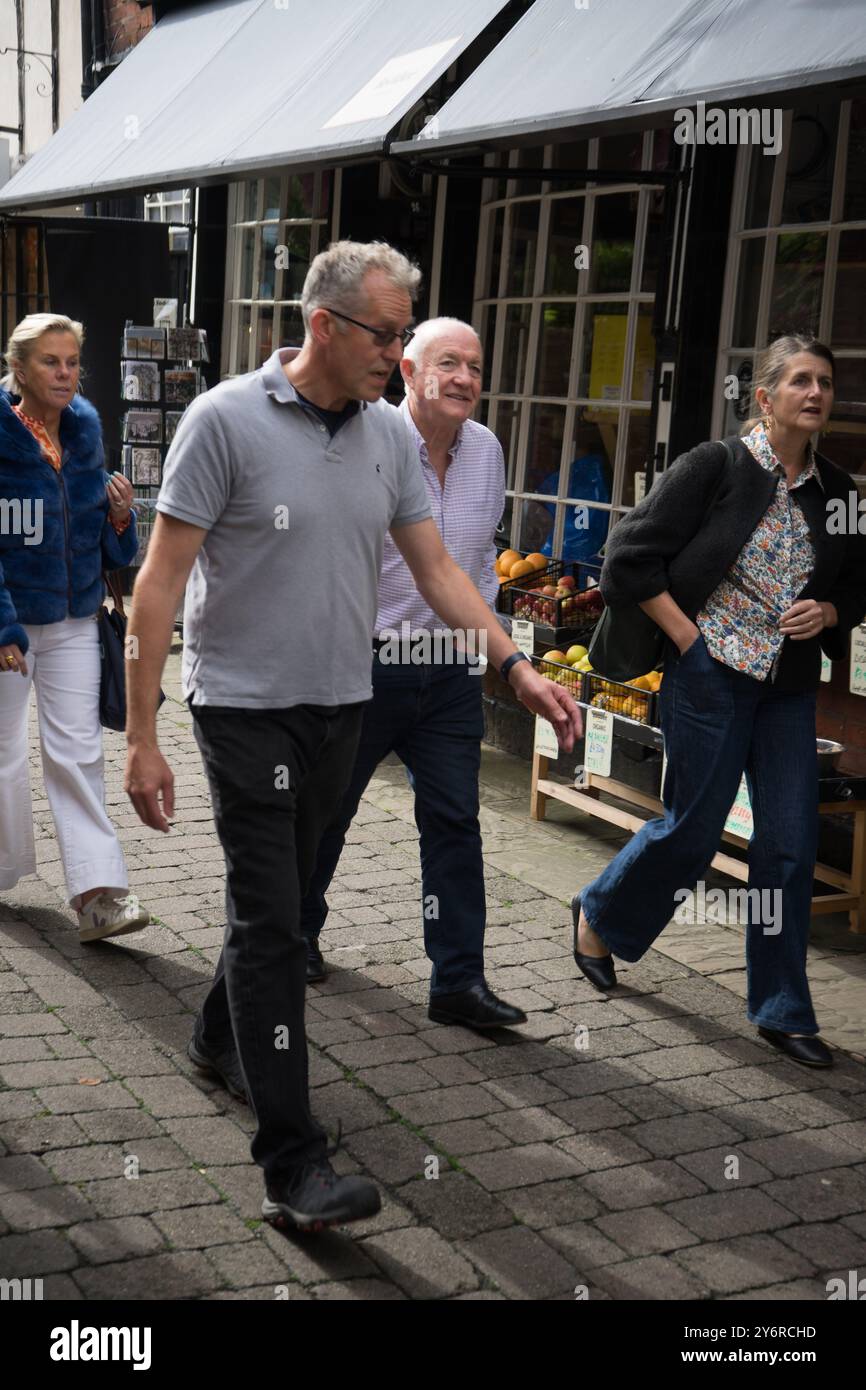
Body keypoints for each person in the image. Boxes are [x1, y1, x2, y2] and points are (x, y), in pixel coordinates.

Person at [123, 241, 581, 1234]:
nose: (399, 348)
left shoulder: (384, 438)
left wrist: (512, 665)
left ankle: (214, 1034)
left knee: (271, 910)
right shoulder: (222, 421)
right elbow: (157, 583)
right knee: (278, 921)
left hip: (343, 703)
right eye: (386, 331)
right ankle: (293, 1164)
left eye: (406, 326)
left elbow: (439, 573)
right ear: (323, 326)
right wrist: (140, 734)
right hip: (243, 705)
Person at [573, 335, 866, 1068]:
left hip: (789, 690)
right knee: (694, 831)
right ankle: (599, 913)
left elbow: (862, 583)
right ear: (764, 399)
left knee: (790, 844)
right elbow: (628, 555)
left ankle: (782, 1008)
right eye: (799, 381)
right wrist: (690, 639)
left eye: (825, 383)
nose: (815, 393)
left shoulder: (839, 494)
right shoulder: (715, 466)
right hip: (709, 676)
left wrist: (827, 614)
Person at [299, 316, 529, 1030]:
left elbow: (477, 567)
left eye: (476, 367)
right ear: (408, 372)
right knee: (326, 813)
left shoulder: (488, 451)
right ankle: (295, 934)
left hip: (450, 672)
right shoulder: (364, 444)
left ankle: (458, 981)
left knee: (456, 821)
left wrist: (492, 657)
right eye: (449, 363)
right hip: (366, 663)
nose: (465, 379)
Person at [0, 313, 149, 941]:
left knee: (78, 752)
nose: (64, 374)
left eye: (71, 363)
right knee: (3, 753)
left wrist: (119, 520)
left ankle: (97, 895)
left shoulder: (86, 431)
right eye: (49, 362)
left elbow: (107, 549)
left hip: (75, 621)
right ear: (19, 367)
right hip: (10, 622)